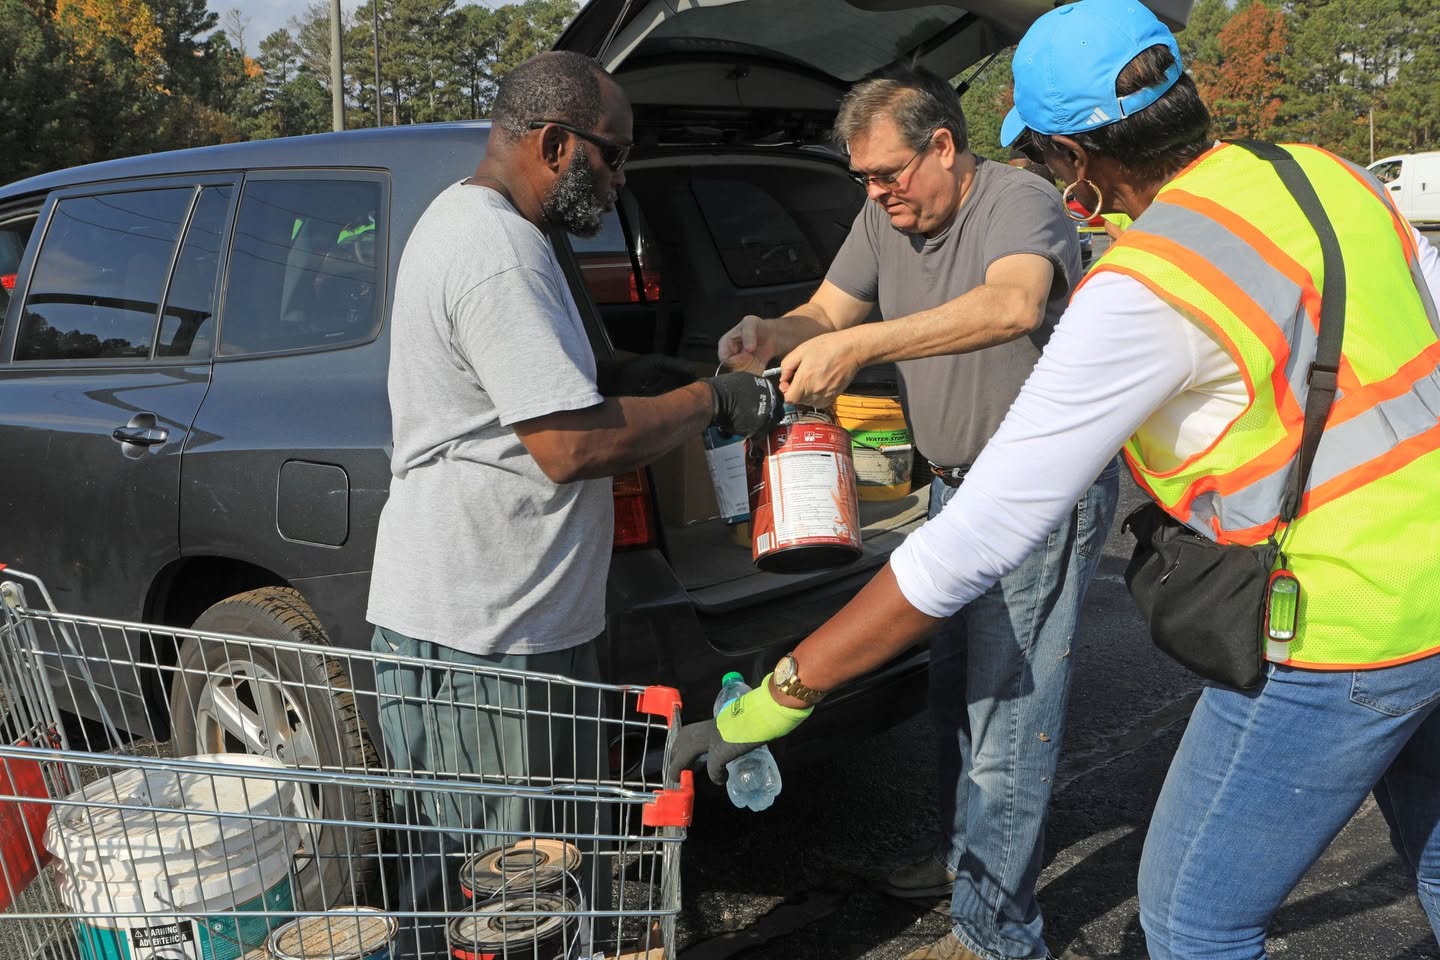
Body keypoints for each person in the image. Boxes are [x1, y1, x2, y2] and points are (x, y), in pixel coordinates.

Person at [679, 2, 1440, 958]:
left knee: (1194, 920)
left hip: (1342, 627)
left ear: (1073, 161)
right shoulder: (1321, 173)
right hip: (1431, 581)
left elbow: (977, 536)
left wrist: (777, 696)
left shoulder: (1147, 282)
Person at [365, 50, 782, 952]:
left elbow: (592, 380)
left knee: (540, 876)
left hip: (525, 622)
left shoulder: (521, 237)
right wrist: (711, 404)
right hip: (484, 638)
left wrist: (698, 375)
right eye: (616, 155)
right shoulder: (492, 251)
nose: (624, 177)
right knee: (509, 896)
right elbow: (573, 445)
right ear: (558, 145)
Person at [716, 63, 1119, 960]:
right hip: (950, 485)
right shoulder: (881, 214)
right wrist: (769, 335)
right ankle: (958, 861)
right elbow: (826, 308)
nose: (877, 194)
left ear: (944, 145)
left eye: (889, 174)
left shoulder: (1020, 202)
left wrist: (863, 344)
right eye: (862, 179)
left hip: (1039, 493)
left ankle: (997, 935)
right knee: (952, 696)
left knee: (1006, 712)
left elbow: (1011, 305)